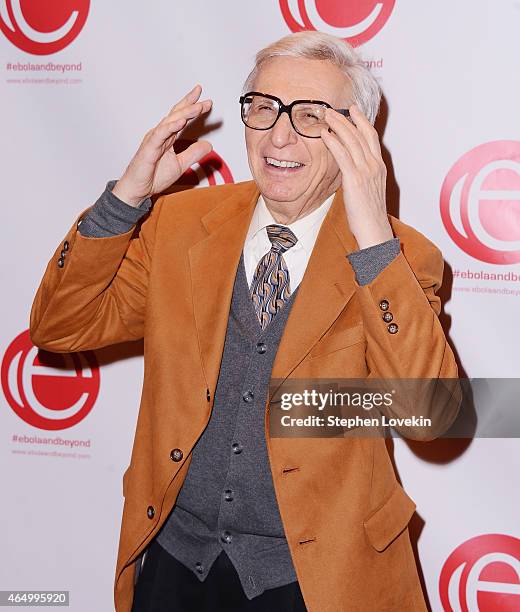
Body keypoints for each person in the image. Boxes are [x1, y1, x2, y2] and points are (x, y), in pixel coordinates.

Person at [30, 31, 460, 612]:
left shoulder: (399, 258)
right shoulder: (180, 224)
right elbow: (61, 328)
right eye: (264, 108)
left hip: (317, 579)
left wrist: (372, 240)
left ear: (356, 136)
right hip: (174, 563)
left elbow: (430, 416)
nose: (279, 136)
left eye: (311, 116)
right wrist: (125, 199)